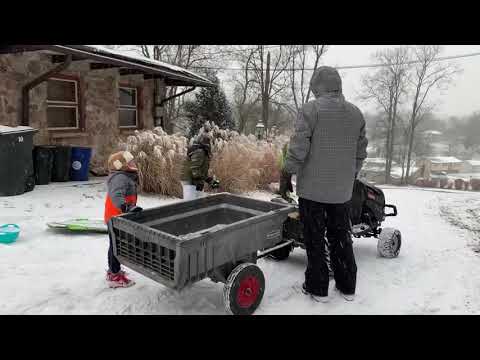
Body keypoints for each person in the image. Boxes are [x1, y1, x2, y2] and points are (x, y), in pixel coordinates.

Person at [280, 66, 368, 302]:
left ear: (317, 86)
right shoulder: (356, 113)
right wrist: (350, 174)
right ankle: (348, 286)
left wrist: (287, 173)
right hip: (341, 193)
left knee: (315, 239)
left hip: (313, 191)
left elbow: (299, 147)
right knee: (341, 237)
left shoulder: (311, 110)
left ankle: (318, 288)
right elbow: (360, 153)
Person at [104, 150, 142, 288]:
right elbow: (116, 195)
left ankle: (113, 270)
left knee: (115, 244)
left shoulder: (125, 176)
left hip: (119, 217)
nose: (133, 163)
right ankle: (114, 275)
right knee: (116, 246)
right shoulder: (120, 177)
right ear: (120, 165)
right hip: (116, 217)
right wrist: (126, 207)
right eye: (130, 161)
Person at [181, 133, 220, 199]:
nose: (211, 144)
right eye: (209, 142)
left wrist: (210, 181)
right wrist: (201, 180)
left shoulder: (204, 152)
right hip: (190, 181)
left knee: (197, 202)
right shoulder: (200, 152)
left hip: (195, 181)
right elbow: (194, 169)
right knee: (190, 204)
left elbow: (201, 171)